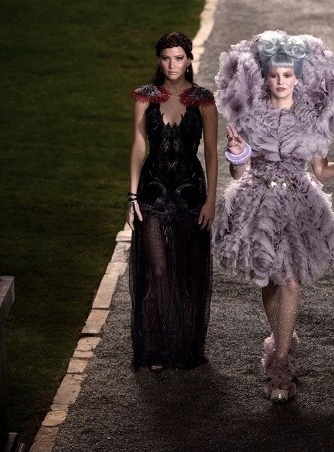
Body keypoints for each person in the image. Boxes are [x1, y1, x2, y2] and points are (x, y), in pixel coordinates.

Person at [213, 30, 334, 404]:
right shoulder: (249, 115)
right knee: (268, 281)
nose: (281, 81)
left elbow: (321, 171)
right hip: (257, 202)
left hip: (298, 204)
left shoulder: (312, 118)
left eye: (287, 75)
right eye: (274, 75)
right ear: (265, 78)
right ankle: (281, 338)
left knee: (291, 282)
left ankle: (280, 366)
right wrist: (236, 152)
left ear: (298, 77)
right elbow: (237, 173)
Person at [126, 31, 218, 371]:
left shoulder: (203, 99)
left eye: (178, 58)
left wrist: (211, 200)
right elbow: (139, 145)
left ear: (189, 60)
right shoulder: (145, 96)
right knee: (159, 270)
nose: (172, 64)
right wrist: (132, 196)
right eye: (166, 58)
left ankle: (181, 346)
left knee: (186, 274)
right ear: (159, 60)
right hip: (152, 194)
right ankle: (155, 347)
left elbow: (211, 153)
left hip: (191, 196)